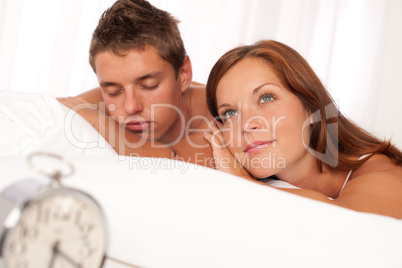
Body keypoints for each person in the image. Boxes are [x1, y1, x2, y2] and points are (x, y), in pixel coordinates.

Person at [203, 40, 402, 219]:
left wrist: (242, 182)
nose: (246, 124)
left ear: (310, 106)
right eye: (230, 113)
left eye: (266, 98)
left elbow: (350, 227)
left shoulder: (385, 173)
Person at [58, 0, 213, 167]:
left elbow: (174, 166)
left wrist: (98, 122)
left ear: (183, 74)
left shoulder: (220, 112)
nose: (131, 107)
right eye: (114, 91)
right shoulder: (98, 102)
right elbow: (50, 110)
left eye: (149, 85)